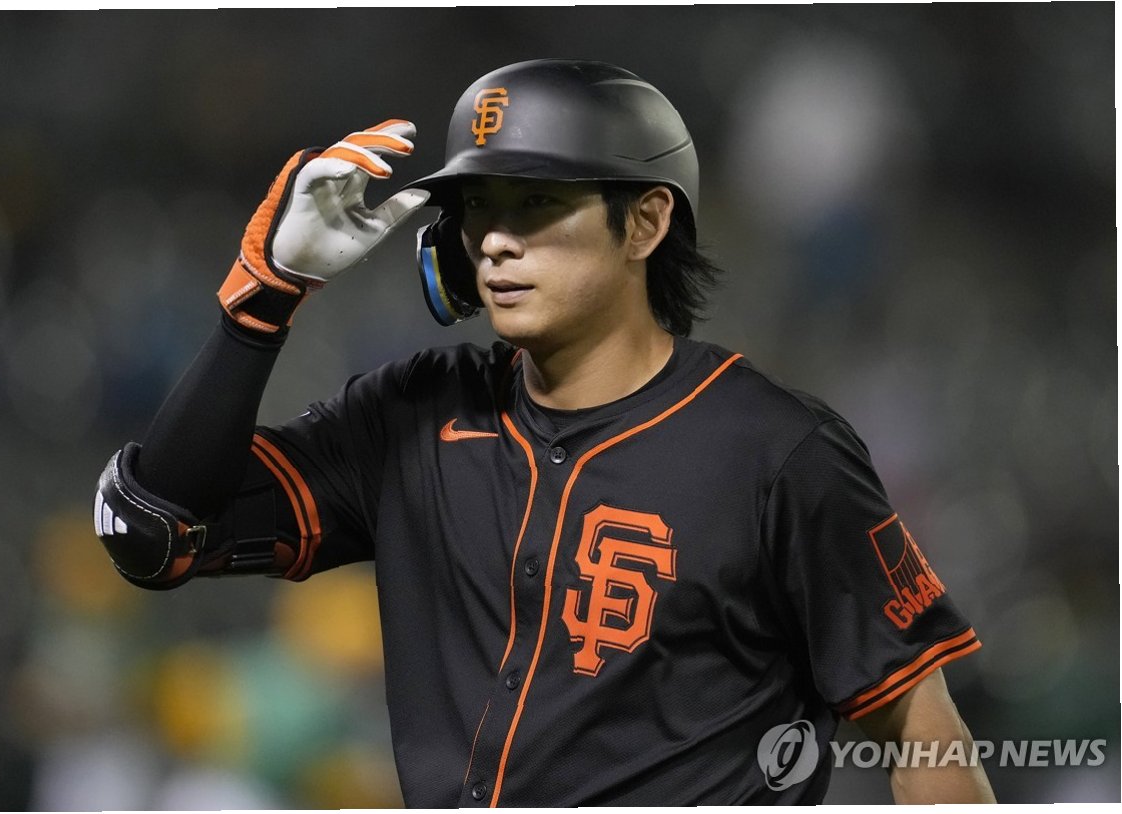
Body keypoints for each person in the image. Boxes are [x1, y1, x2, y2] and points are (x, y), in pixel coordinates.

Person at [93, 59, 995, 805]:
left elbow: (919, 726)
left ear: (646, 221)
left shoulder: (776, 451)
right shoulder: (412, 416)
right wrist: (262, 303)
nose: (494, 241)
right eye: (479, 207)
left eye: (535, 204)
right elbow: (155, 531)